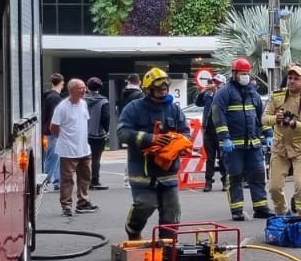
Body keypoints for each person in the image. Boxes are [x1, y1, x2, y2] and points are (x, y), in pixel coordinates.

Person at [118, 68, 190, 241]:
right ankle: (133, 231)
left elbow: (185, 132)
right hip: (142, 170)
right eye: (159, 88)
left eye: (165, 88)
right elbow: (122, 132)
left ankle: (167, 245)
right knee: (145, 205)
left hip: (168, 171)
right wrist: (150, 139)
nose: (163, 90)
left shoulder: (174, 110)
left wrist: (177, 142)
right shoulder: (134, 108)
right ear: (148, 89)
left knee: (171, 211)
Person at [214, 59, 270, 221]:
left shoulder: (253, 93)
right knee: (235, 178)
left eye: (247, 73)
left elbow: (261, 117)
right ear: (234, 74)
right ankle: (237, 210)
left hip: (253, 144)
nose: (245, 76)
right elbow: (218, 116)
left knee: (258, 176)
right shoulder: (224, 93)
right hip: (233, 146)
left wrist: (268, 134)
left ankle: (260, 207)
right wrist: (225, 138)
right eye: (242, 73)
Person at [263, 65, 301, 218]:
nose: (292, 81)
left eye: (296, 78)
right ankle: (282, 214)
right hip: (279, 148)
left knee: (300, 187)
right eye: (290, 78)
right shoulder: (276, 96)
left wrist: (296, 124)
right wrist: (276, 118)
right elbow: (263, 119)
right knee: (274, 188)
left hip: (300, 150)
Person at [50, 79, 97, 217]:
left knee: (85, 176)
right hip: (68, 149)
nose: (84, 90)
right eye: (80, 88)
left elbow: (84, 123)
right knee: (67, 179)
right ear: (71, 90)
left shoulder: (83, 104)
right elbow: (53, 127)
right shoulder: (62, 107)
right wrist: (63, 139)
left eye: (84, 88)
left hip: (83, 148)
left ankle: (83, 202)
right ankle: (66, 205)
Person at [85, 77, 113, 191]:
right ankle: (95, 181)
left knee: (84, 159)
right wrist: (106, 130)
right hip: (98, 134)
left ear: (87, 86)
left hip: (84, 133)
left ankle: (84, 181)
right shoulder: (103, 101)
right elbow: (106, 117)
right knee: (96, 158)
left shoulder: (83, 100)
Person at [197, 74, 223, 192]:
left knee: (223, 157)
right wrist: (203, 91)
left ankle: (225, 181)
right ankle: (208, 182)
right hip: (209, 130)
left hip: (221, 130)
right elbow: (198, 103)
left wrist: (216, 92)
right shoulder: (208, 95)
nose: (214, 85)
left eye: (217, 83)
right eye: (213, 82)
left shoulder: (224, 95)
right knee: (210, 158)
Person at [41, 73, 65, 191]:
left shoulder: (46, 96)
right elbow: (54, 117)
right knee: (52, 157)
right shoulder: (56, 98)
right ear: (62, 83)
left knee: (55, 156)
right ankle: (45, 181)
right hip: (52, 132)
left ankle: (58, 181)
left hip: (46, 130)